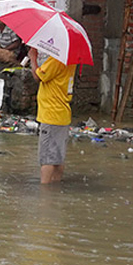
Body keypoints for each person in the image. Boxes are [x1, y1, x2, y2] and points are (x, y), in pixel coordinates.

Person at [31, 47, 75, 184]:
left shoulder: (56, 59)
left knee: (47, 160)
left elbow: (38, 76)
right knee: (57, 158)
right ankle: (55, 188)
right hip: (62, 114)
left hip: (51, 114)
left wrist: (33, 57)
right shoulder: (70, 60)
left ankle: (45, 195)